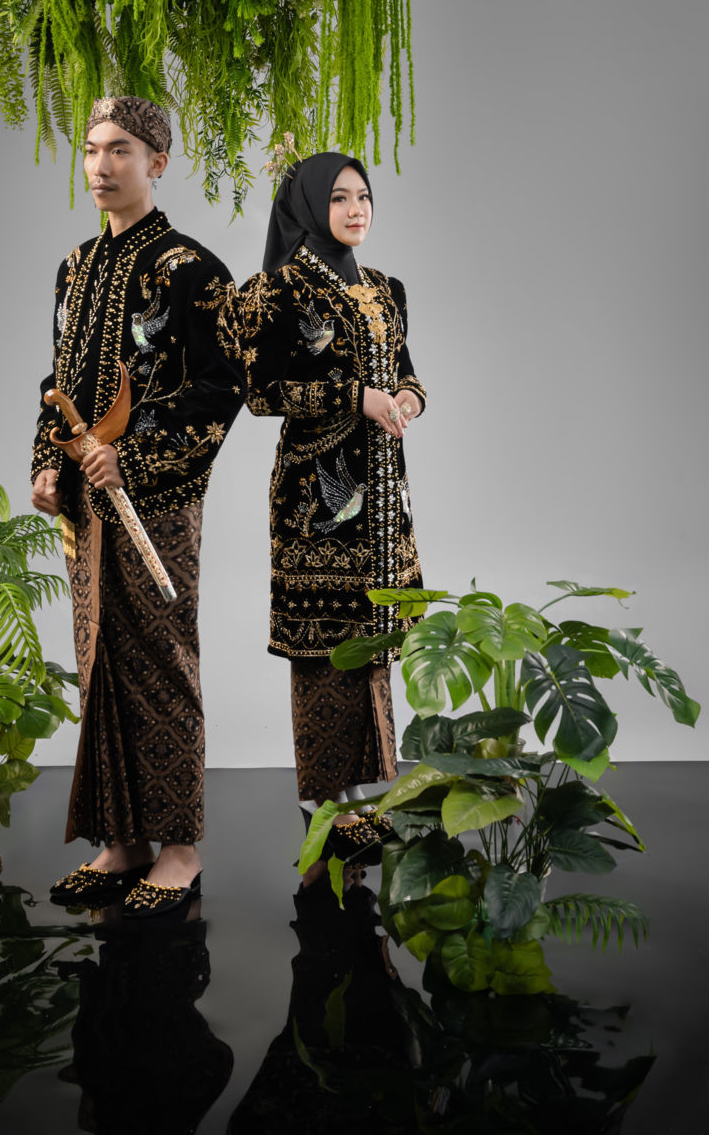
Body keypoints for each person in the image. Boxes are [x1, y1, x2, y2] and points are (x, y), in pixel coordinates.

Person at [31, 96, 243, 914]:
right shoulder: (74, 266)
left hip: (157, 499)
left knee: (161, 659)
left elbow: (222, 388)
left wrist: (138, 455)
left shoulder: (195, 269)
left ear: (157, 161)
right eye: (91, 149)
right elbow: (58, 380)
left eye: (119, 148)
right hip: (84, 501)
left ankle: (180, 848)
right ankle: (123, 842)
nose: (101, 165)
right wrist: (47, 463)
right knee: (100, 661)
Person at [227, 152, 425, 858]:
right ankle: (326, 803)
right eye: (339, 198)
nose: (356, 209)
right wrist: (354, 398)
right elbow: (261, 393)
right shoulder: (273, 292)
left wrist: (406, 400)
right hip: (315, 503)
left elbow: (408, 373)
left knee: (373, 643)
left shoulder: (385, 289)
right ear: (311, 207)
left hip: (384, 501)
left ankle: (366, 792)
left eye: (363, 196)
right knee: (323, 648)